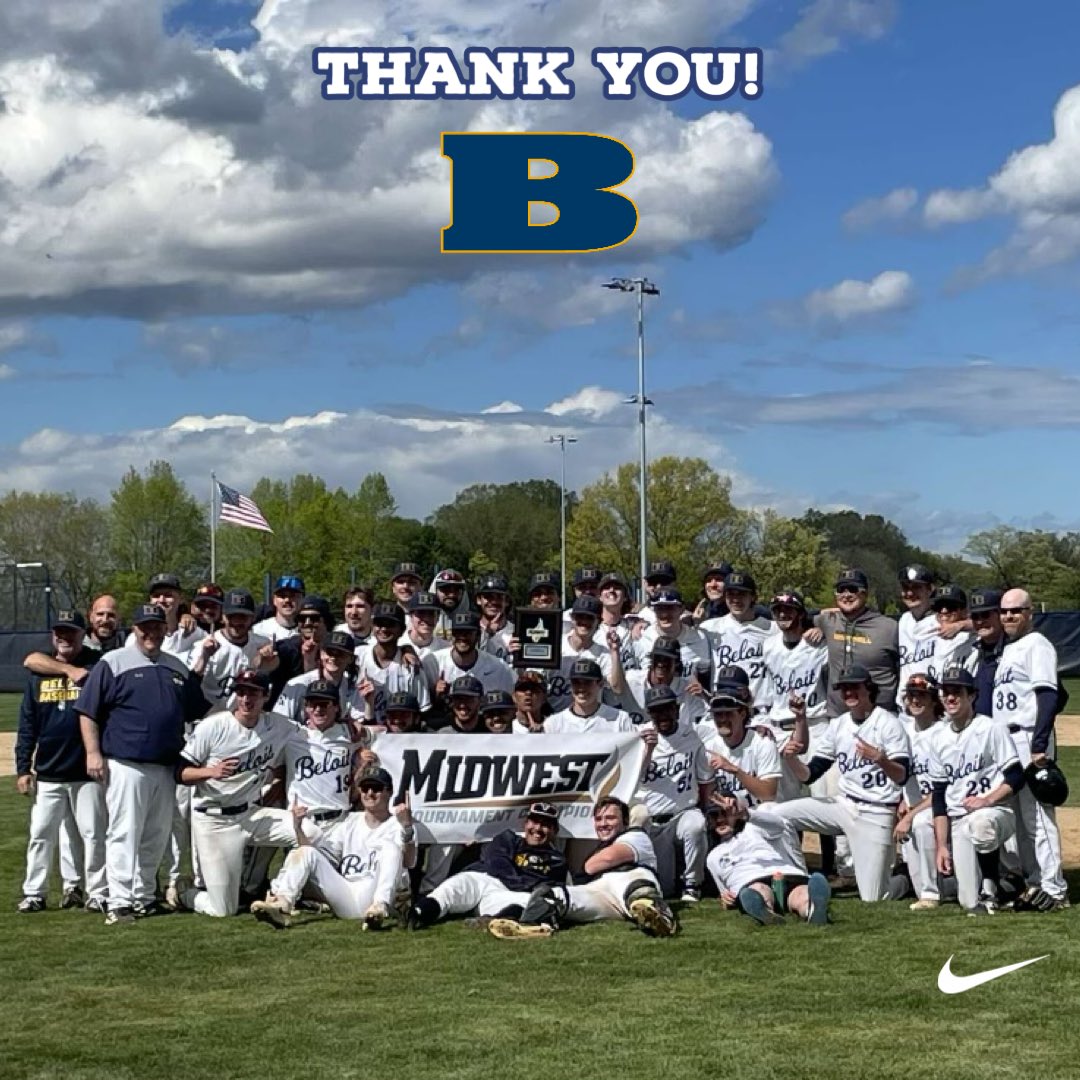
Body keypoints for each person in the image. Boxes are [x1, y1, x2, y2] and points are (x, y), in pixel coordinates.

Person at [76, 603, 210, 924]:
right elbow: (87, 711)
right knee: (124, 832)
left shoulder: (177, 667)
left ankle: (144, 896)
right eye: (144, 627)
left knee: (156, 834)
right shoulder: (113, 662)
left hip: (166, 765)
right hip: (126, 762)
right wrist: (93, 753)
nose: (151, 632)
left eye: (157, 627)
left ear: (166, 630)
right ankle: (119, 900)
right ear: (134, 629)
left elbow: (199, 712)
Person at [775, 664, 911, 902]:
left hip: (877, 811)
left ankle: (904, 879)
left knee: (874, 897)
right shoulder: (839, 725)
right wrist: (791, 758)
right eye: (844, 689)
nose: (849, 693)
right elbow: (809, 774)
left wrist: (881, 759)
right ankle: (797, 879)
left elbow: (902, 775)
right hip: (844, 805)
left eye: (854, 688)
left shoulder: (889, 723)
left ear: (868, 689)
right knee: (777, 815)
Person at [174, 670, 300, 918]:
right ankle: (185, 894)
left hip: (251, 814)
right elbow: (179, 773)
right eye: (241, 692)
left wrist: (356, 731)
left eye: (253, 692)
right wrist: (210, 772)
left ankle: (281, 894)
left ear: (266, 695)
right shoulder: (214, 726)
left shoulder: (277, 725)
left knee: (307, 832)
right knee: (224, 909)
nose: (246, 699)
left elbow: (313, 735)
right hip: (214, 820)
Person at [16, 610, 107, 914]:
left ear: (83, 635)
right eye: (59, 632)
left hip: (86, 770)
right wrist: (22, 767)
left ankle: (96, 891)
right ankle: (34, 892)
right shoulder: (40, 673)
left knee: (93, 835)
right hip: (49, 771)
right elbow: (28, 723)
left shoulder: (95, 666)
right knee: (41, 834)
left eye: (71, 632)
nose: (64, 638)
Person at [487, 797, 677, 939]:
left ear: (625, 822)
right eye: (599, 819)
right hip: (602, 894)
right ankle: (532, 926)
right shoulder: (598, 847)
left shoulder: (636, 836)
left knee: (638, 892)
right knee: (550, 894)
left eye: (610, 818)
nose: (603, 824)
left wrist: (584, 868)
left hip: (627, 878)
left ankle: (659, 917)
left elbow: (600, 862)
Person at [251, 766, 414, 930]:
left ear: (389, 792)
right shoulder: (350, 822)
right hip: (348, 892)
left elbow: (410, 862)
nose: (370, 793)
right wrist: (298, 828)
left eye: (377, 788)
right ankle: (282, 905)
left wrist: (407, 828)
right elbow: (320, 857)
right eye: (365, 788)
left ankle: (380, 907)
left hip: (377, 891)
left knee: (391, 847)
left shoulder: (400, 823)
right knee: (305, 852)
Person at [993, 588, 1068, 909]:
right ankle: (1034, 884)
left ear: (1029, 613)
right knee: (1018, 821)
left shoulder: (1037, 645)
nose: (1009, 616)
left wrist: (1039, 745)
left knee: (1037, 817)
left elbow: (1049, 696)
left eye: (1016, 611)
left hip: (1027, 739)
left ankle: (1054, 888)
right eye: (1005, 611)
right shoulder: (1010, 649)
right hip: (1008, 741)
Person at [930, 666, 1024, 914]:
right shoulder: (938, 738)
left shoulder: (991, 728)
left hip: (996, 812)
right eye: (946, 692)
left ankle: (991, 889)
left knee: (981, 822)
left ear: (971, 696)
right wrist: (941, 845)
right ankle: (1012, 885)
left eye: (957, 692)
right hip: (960, 820)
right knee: (968, 902)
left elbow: (1016, 776)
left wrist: (988, 800)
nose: (950, 698)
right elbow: (939, 798)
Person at [405, 802, 568, 928]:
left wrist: (520, 885)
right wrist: (521, 881)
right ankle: (418, 915)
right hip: (484, 879)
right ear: (525, 824)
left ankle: (500, 920)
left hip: (508, 894)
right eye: (534, 822)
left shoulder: (556, 860)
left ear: (554, 831)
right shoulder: (508, 838)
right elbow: (497, 863)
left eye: (545, 825)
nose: (538, 829)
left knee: (528, 902)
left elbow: (543, 885)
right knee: (451, 889)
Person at [636, 685, 714, 901]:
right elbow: (633, 780)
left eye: (667, 708)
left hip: (683, 812)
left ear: (676, 709)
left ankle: (692, 885)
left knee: (696, 825)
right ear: (649, 713)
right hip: (652, 819)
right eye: (656, 710)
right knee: (665, 889)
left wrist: (708, 812)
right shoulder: (639, 736)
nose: (662, 715)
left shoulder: (692, 736)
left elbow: (705, 779)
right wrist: (647, 751)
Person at [705, 797, 831, 926]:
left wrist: (746, 814)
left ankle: (811, 909)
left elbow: (778, 826)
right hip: (749, 881)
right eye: (715, 816)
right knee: (758, 890)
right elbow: (724, 891)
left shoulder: (754, 828)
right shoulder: (713, 857)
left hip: (786, 872)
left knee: (800, 894)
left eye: (725, 814)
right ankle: (765, 911)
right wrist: (726, 898)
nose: (720, 820)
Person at [759, 590, 829, 802]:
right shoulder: (769, 645)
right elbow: (767, 690)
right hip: (781, 727)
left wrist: (822, 629)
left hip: (816, 724)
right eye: (778, 610)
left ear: (800, 613)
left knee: (821, 795)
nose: (782, 615)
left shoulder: (818, 644)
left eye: (788, 610)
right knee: (785, 801)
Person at [813, 568, 900, 714]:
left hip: (880, 716)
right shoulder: (828, 621)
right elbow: (793, 617)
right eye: (841, 590)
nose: (846, 595)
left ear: (864, 593)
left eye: (852, 589)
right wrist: (815, 625)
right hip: (838, 716)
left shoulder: (889, 627)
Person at [892, 673, 945, 910]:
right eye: (911, 695)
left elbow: (944, 789)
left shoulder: (944, 733)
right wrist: (902, 801)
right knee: (916, 882)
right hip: (913, 807)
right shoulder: (903, 731)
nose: (915, 700)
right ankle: (926, 887)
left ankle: (931, 896)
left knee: (922, 823)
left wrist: (911, 814)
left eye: (921, 695)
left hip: (941, 808)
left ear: (934, 700)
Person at [700, 571, 778, 712]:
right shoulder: (709, 628)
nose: (736, 599)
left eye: (741, 594)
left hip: (761, 711)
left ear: (753, 596)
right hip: (724, 710)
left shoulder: (773, 629)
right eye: (731, 594)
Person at [700, 688, 782, 806]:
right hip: (728, 816)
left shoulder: (762, 741)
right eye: (718, 714)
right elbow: (706, 797)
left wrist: (734, 770)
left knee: (768, 806)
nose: (722, 719)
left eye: (728, 713)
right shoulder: (709, 748)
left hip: (759, 814)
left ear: (742, 713)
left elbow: (769, 794)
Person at [355, 603, 432, 724]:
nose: (384, 629)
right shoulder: (358, 657)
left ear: (402, 630)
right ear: (372, 626)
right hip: (361, 730)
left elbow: (423, 712)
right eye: (379, 624)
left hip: (400, 736)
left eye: (390, 624)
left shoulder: (412, 665)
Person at [277, 630, 364, 723]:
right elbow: (279, 720)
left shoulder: (352, 686)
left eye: (340, 654)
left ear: (350, 659)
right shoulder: (298, 684)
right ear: (322, 654)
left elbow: (359, 721)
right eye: (330, 652)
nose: (333, 658)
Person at [431, 610, 515, 704]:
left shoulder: (499, 667)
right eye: (458, 632)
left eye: (468, 633)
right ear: (452, 635)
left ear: (478, 635)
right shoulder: (433, 661)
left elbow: (513, 700)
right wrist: (435, 695)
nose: (462, 637)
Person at [635, 588, 711, 682]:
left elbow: (704, 674)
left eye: (670, 608)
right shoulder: (643, 638)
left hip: (686, 695)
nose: (664, 614)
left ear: (682, 609)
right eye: (659, 608)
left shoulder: (698, 638)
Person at [545, 658, 634, 734]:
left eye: (587, 682)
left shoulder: (619, 719)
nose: (581, 688)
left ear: (600, 684)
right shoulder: (553, 724)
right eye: (576, 682)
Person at [897, 564, 938, 686]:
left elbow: (976, 626)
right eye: (905, 587)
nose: (910, 593)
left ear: (930, 589)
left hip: (932, 699)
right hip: (905, 699)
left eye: (916, 587)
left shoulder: (941, 620)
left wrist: (961, 625)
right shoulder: (904, 620)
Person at [969, 588, 1005, 716]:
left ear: (1000, 614)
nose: (979, 621)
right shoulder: (972, 652)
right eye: (975, 616)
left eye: (985, 615)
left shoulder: (1018, 648)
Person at [253, 574, 305, 642]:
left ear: (302, 599)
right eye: (282, 596)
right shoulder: (259, 630)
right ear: (274, 600)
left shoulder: (308, 630)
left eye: (293, 596)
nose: (287, 600)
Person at [476, 573, 515, 663]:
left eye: (499, 597)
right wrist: (487, 634)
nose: (493, 602)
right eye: (488, 597)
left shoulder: (516, 632)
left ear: (507, 601)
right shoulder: (471, 630)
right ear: (478, 600)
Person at [337, 586, 375, 651]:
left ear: (372, 609)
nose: (354, 612)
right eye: (349, 606)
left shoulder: (381, 638)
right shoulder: (336, 636)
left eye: (360, 606)